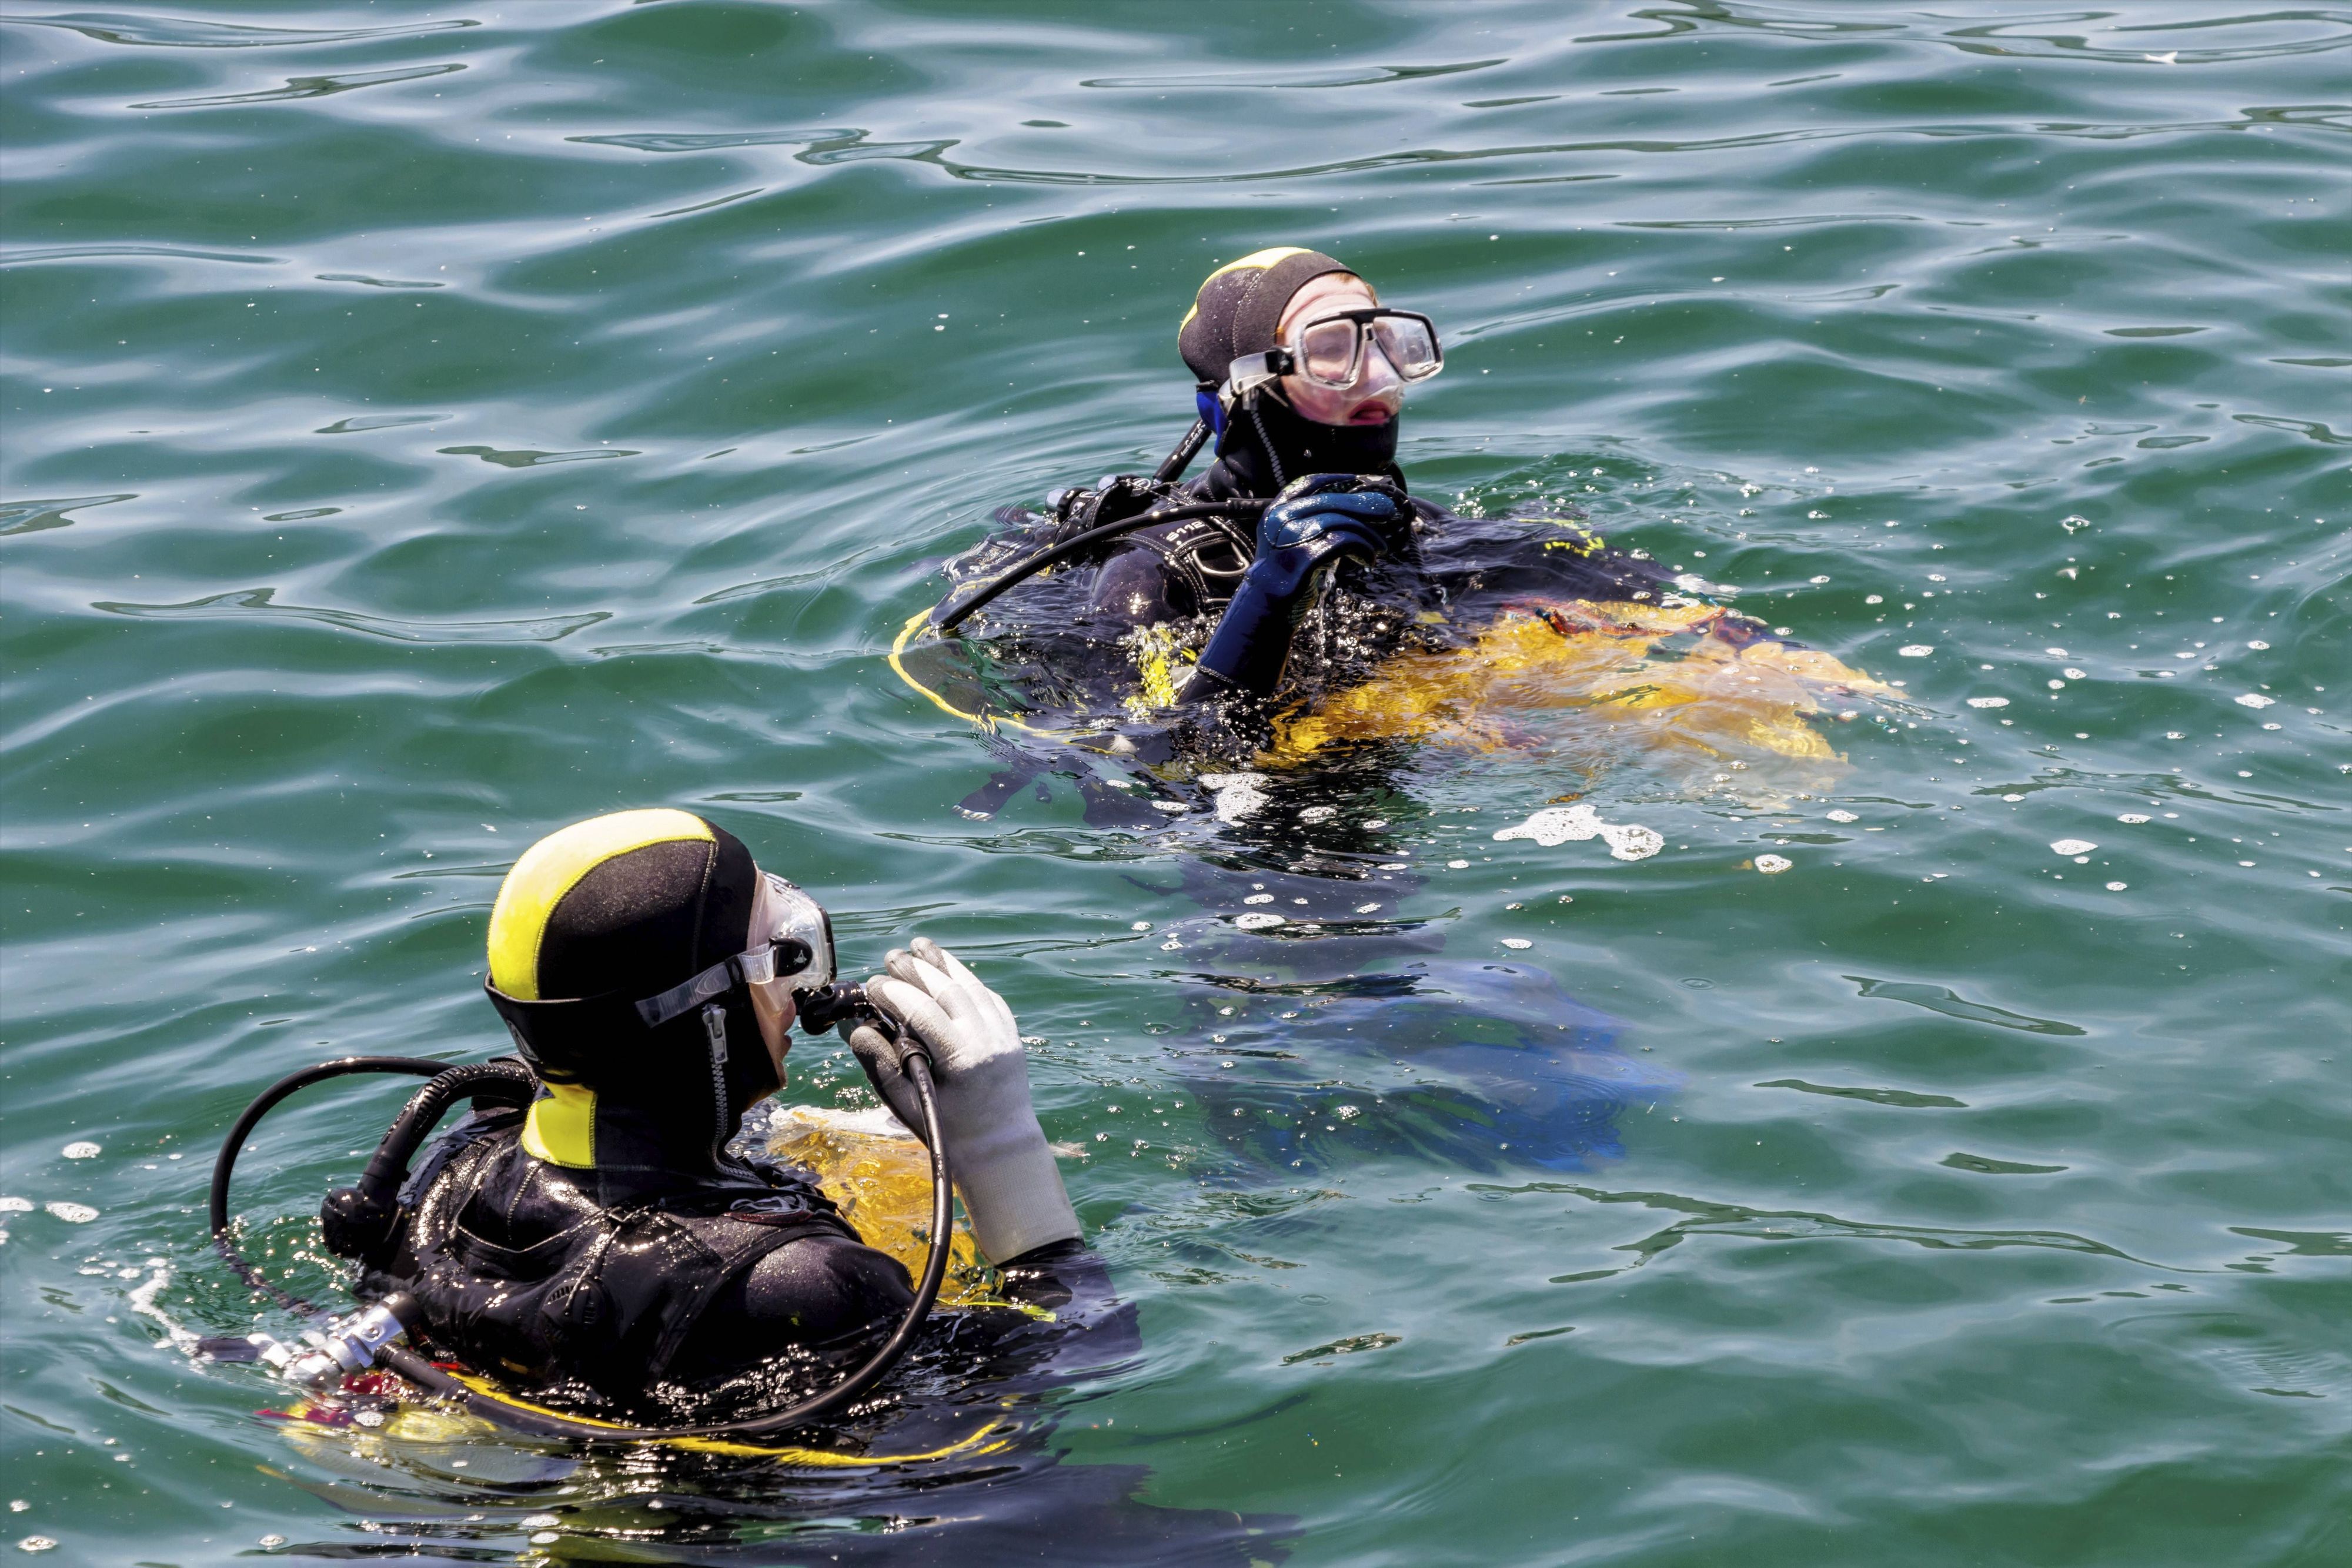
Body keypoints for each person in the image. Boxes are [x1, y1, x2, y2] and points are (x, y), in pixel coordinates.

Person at [359, 807, 1093, 1404]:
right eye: (780, 958)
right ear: (706, 1018)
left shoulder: (461, 1164)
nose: (798, 995)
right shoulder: (802, 1286)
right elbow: (1056, 1389)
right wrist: (1000, 1150)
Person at [934, 244, 1775, 761]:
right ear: (1242, 390)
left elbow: (1673, 613)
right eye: (1331, 353)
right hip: (1243, 858)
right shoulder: (1151, 578)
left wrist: (1758, 653)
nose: (1378, 382)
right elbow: (1162, 755)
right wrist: (1267, 599)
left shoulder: (1421, 536)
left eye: (1390, 344)